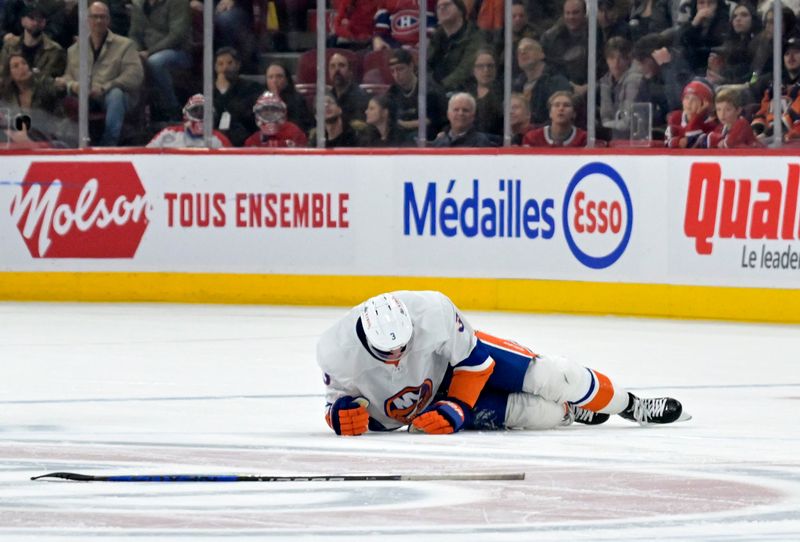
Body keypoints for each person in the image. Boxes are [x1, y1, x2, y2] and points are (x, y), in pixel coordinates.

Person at [317, 291, 689, 436]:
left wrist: (457, 408)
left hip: (456, 368)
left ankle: (631, 405)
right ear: (365, 340)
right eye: (387, 353)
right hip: (423, 407)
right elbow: (338, 398)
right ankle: (571, 414)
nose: (397, 357)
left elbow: (475, 363)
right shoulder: (336, 350)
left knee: (554, 375)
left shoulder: (432, 310)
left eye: (404, 346)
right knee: (538, 415)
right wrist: (340, 414)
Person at [54, 1, 144, 146]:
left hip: (113, 97)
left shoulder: (125, 45)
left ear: (108, 20)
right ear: (87, 20)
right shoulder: (74, 49)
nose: (99, 21)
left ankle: (109, 143)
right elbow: (68, 76)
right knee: (60, 94)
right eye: (95, 17)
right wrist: (74, 85)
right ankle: (67, 142)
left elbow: (134, 76)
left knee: (116, 94)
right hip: (84, 97)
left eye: (103, 17)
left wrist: (106, 87)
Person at [128, 0, 192, 121]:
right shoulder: (138, 4)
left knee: (155, 62)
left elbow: (177, 35)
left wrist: (149, 52)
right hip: (147, 51)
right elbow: (134, 34)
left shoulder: (178, 2)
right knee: (128, 60)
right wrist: (136, 52)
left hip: (178, 51)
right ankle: (136, 118)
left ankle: (173, 109)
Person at [385, 48, 448, 141]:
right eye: (392, 71)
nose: (396, 75)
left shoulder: (429, 90)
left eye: (400, 69)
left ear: (411, 66)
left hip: (427, 135)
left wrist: (402, 124)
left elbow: (431, 120)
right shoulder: (393, 91)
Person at [751, 32, 800, 143]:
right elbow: (763, 111)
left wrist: (766, 135)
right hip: (771, 136)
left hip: (793, 139)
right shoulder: (775, 85)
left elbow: (794, 114)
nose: (791, 57)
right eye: (787, 54)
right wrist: (755, 131)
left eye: (796, 52)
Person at [0, 2, 64, 86]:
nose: (35, 23)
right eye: (31, 18)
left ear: (44, 22)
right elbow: (2, 73)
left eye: (40, 19)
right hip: (11, 93)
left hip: (39, 95)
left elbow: (48, 81)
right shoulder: (10, 46)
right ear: (22, 21)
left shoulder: (54, 50)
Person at [427, 0, 485, 93]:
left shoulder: (475, 36)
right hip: (434, 92)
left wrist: (440, 88)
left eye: (447, 4)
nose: (442, 8)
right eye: (439, 7)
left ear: (460, 10)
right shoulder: (436, 38)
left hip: (464, 92)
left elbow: (465, 70)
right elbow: (426, 66)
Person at [512, 37, 572, 126]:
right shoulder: (517, 86)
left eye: (528, 48)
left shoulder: (556, 82)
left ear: (541, 54)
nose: (523, 52)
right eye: (519, 51)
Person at [599, 36, 649, 141]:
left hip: (636, 140)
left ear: (628, 59)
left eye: (621, 58)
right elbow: (605, 116)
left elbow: (629, 123)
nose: (616, 63)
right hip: (614, 138)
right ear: (606, 60)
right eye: (612, 58)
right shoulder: (605, 81)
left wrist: (605, 126)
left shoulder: (634, 79)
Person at [212, 47, 260, 147]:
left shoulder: (251, 87)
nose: (225, 68)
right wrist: (220, 90)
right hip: (214, 140)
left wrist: (224, 91)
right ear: (215, 68)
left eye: (230, 63)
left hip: (242, 140)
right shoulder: (209, 92)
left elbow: (240, 114)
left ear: (238, 65)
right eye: (220, 64)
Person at [146, 93, 232, 148]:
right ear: (185, 114)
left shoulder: (220, 140)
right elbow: (145, 156)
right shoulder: (167, 134)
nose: (199, 115)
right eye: (195, 111)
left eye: (204, 112)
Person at [664, 78, 718, 148]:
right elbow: (668, 143)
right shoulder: (675, 117)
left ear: (704, 104)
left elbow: (691, 144)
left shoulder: (711, 124)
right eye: (686, 98)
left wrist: (698, 116)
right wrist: (678, 142)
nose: (689, 103)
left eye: (694, 99)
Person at [523, 90, 587, 147]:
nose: (561, 108)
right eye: (556, 105)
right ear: (550, 113)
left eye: (566, 105)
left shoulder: (584, 138)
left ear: (574, 113)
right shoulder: (533, 137)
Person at [265, 61, 313, 133]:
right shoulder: (260, 100)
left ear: (287, 79)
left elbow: (299, 127)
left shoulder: (298, 100)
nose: (274, 80)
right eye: (270, 77)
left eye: (279, 76)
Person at [468, 47, 503, 137]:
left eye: (490, 66)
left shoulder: (503, 94)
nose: (486, 70)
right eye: (480, 66)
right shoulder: (467, 94)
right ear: (473, 70)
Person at [328, 51, 369, 122]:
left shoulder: (361, 98)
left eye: (341, 65)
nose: (336, 70)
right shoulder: (327, 96)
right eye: (332, 66)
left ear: (350, 72)